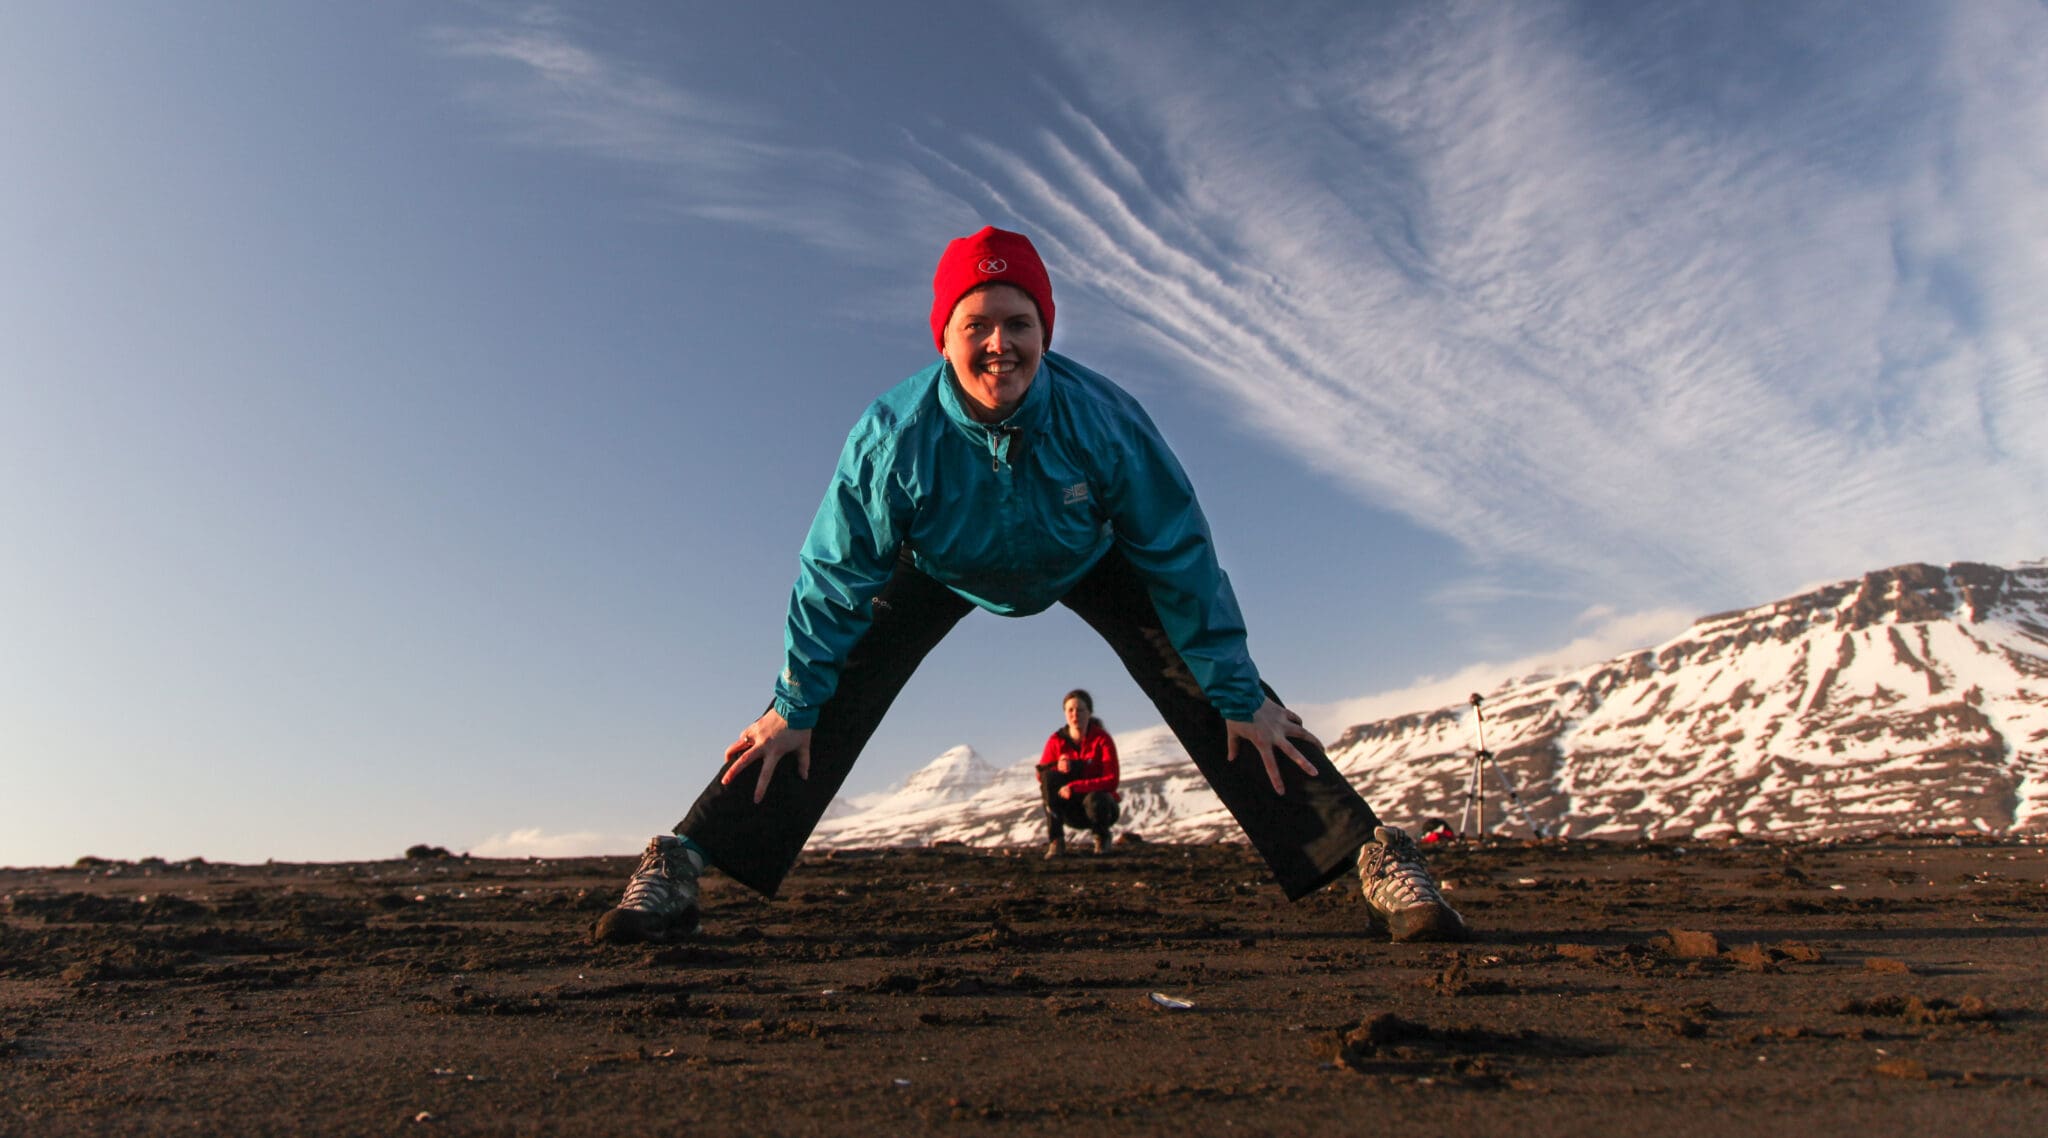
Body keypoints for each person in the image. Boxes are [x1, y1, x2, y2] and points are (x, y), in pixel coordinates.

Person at [595, 226, 1464, 946]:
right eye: (976, 325)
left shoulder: (1105, 420)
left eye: (1018, 322)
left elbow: (1180, 554)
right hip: (941, 566)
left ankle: (1373, 858)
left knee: (1224, 694)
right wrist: (794, 697)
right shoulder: (893, 436)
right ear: (944, 336)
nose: (998, 344)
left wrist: (1236, 690)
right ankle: (682, 862)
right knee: (815, 705)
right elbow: (835, 574)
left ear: (1046, 332)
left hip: (1084, 557)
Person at [1037, 689, 1120, 858]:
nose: (1075, 715)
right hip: (1070, 809)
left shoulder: (1102, 739)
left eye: (1080, 710)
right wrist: (1056, 767)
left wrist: (1075, 786)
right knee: (1049, 778)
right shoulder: (1056, 740)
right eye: (1070, 710)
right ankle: (1056, 841)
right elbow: (1041, 775)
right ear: (1065, 713)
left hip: (1102, 808)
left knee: (1097, 797)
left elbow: (1112, 780)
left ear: (1089, 712)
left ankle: (1101, 838)